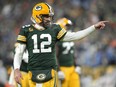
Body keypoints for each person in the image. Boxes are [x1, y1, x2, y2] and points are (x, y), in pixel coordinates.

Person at [13, 2, 108, 87]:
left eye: (50, 16)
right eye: (46, 16)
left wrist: (93, 27)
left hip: (50, 70)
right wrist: (16, 69)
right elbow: (19, 52)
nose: (49, 19)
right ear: (38, 16)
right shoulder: (26, 30)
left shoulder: (54, 28)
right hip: (32, 71)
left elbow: (74, 36)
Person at [56, 18, 81, 87]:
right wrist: (58, 70)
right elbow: (54, 56)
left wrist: (77, 65)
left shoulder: (70, 38)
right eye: (67, 26)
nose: (68, 28)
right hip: (63, 68)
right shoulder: (57, 40)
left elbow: (73, 53)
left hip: (72, 68)